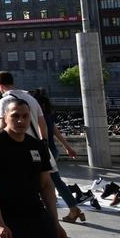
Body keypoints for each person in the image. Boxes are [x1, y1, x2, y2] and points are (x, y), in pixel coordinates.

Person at [0, 97, 68, 238]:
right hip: (8, 220)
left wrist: (54, 222)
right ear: (5, 117)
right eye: (15, 116)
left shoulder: (37, 146)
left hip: (37, 217)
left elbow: (46, 185)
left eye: (25, 116)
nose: (21, 120)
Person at [31, 89, 85, 223]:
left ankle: (73, 209)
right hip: (52, 151)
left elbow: (45, 133)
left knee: (52, 182)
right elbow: (55, 131)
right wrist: (67, 147)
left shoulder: (36, 115)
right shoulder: (47, 114)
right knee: (53, 181)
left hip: (45, 152)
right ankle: (72, 209)